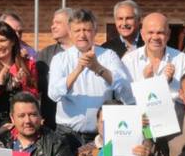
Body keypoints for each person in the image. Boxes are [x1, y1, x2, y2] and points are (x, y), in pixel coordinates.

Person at [47, 8, 133, 146]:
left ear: (95, 32)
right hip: (67, 134)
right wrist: (77, 70)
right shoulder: (60, 59)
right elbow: (53, 94)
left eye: (87, 30)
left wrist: (98, 68)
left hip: (100, 134)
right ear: (70, 32)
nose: (82, 35)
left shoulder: (108, 56)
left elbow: (124, 88)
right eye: (77, 30)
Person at [120, 12, 185, 99]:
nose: (155, 37)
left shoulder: (183, 60)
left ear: (168, 34)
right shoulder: (129, 60)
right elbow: (123, 97)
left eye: (160, 33)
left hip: (174, 112)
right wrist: (145, 81)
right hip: (141, 113)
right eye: (150, 32)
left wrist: (171, 82)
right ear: (142, 34)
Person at [36, 8, 74, 129]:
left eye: (58, 23)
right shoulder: (46, 54)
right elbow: (38, 87)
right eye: (53, 23)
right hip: (53, 122)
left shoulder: (87, 52)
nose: (53, 27)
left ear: (71, 25)